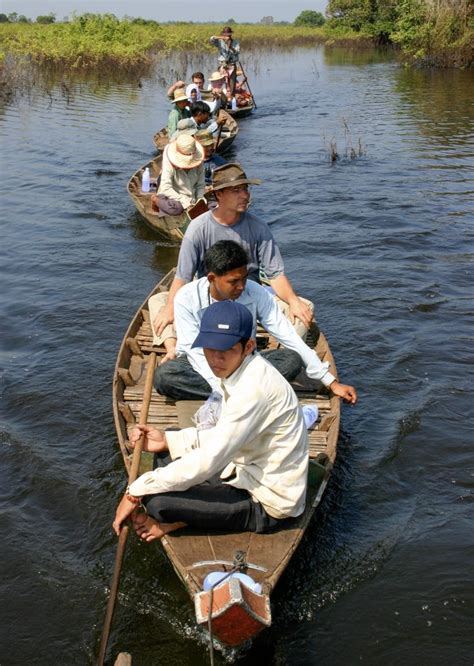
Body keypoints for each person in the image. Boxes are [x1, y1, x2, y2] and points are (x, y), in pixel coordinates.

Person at [112, 300, 310, 541]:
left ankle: (177, 523)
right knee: (167, 447)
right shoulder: (240, 371)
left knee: (157, 501)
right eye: (209, 348)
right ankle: (180, 497)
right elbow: (223, 434)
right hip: (244, 468)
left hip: (269, 502)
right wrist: (167, 440)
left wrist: (134, 492)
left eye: (225, 350)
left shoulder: (254, 389)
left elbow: (209, 460)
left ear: (248, 346)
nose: (215, 359)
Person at [152, 240, 358, 403]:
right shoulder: (187, 297)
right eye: (234, 281)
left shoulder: (255, 292)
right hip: (207, 366)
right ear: (212, 278)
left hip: (246, 364)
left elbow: (287, 335)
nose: (242, 286)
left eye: (243, 278)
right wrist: (224, 389)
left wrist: (330, 382)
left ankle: (248, 392)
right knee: (164, 376)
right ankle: (255, 393)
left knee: (291, 359)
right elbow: (194, 352)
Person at [153, 162, 314, 337]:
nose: (245, 195)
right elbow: (183, 277)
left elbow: (275, 275)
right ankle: (171, 345)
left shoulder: (258, 227)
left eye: (245, 189)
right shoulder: (198, 228)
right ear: (219, 194)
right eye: (236, 191)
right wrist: (170, 307)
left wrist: (293, 300)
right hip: (210, 297)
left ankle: (285, 356)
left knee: (305, 306)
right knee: (158, 302)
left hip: (250, 294)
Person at [151, 134, 205, 217]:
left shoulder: (199, 162)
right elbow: (166, 188)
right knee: (176, 209)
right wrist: (186, 203)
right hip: (173, 195)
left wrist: (200, 199)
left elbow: (201, 185)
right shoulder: (169, 162)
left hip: (191, 196)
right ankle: (155, 200)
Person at [210, 26, 240, 95]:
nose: (227, 36)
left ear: (231, 35)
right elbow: (211, 39)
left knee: (232, 83)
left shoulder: (235, 42)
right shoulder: (220, 41)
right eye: (225, 35)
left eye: (228, 35)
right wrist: (221, 38)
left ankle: (231, 97)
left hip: (231, 64)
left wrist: (230, 46)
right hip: (223, 65)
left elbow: (236, 52)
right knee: (222, 82)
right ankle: (223, 97)